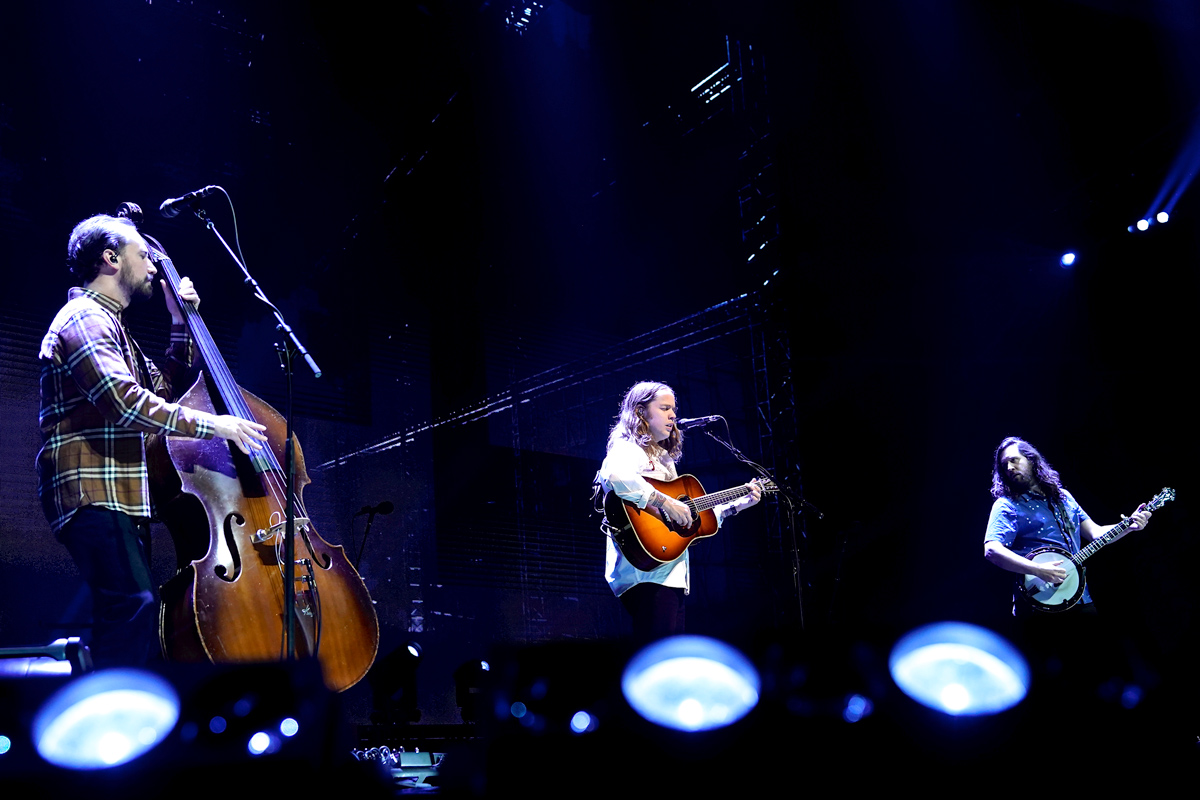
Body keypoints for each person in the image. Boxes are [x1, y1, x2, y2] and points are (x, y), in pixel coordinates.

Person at [37, 213, 269, 667]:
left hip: (118, 495)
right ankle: (111, 730)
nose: (153, 265)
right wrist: (217, 426)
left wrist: (181, 321)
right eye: (142, 255)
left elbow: (166, 389)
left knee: (131, 613)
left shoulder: (112, 325)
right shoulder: (84, 318)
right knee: (134, 606)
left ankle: (113, 722)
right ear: (110, 259)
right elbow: (126, 403)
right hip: (92, 492)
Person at [596, 381, 761, 643]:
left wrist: (737, 505)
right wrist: (665, 501)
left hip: (669, 572)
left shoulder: (664, 459)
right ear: (640, 412)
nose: (673, 414)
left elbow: (689, 519)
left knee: (667, 652)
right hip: (646, 573)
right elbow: (615, 474)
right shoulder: (628, 449)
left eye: (673, 408)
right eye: (664, 408)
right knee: (658, 654)